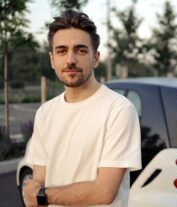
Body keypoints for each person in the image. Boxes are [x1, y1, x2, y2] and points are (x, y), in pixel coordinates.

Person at [23, 9, 141, 207]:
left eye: (81, 50)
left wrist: (42, 196)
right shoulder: (45, 113)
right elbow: (39, 180)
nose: (70, 60)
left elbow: (104, 192)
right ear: (52, 60)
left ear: (95, 58)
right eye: (62, 51)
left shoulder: (118, 109)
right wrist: (36, 191)